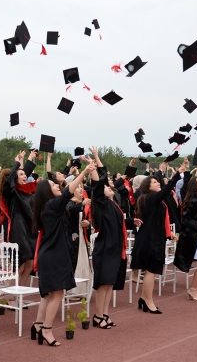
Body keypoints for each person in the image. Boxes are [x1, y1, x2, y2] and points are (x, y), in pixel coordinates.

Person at [32, 162, 96, 346]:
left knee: (48, 294)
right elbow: (68, 191)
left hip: (51, 254)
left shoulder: (48, 208)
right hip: (54, 256)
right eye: (54, 185)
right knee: (57, 294)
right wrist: (84, 171)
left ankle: (37, 325)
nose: (57, 187)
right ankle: (47, 329)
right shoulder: (52, 206)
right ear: (47, 192)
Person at [131, 159, 187, 313]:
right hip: (150, 239)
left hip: (154, 237)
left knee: (152, 270)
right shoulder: (150, 198)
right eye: (154, 182)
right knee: (151, 270)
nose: (158, 183)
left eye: (158, 182)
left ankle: (144, 299)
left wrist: (168, 235)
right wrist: (178, 173)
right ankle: (148, 301)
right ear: (147, 187)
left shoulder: (152, 199)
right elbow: (166, 188)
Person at [87, 148, 127, 327]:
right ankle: (97, 316)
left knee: (110, 283)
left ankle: (105, 314)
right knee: (103, 284)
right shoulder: (101, 204)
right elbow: (99, 181)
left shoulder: (113, 204)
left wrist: (134, 220)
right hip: (105, 249)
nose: (109, 186)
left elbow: (120, 222)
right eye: (106, 187)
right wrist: (93, 163)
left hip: (115, 247)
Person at [174, 166, 197, 300]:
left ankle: (195, 288)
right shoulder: (193, 201)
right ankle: (193, 289)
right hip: (194, 236)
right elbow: (185, 220)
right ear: (196, 187)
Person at [2, 150, 39, 286]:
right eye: (21, 174)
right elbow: (9, 181)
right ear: (15, 179)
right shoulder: (13, 194)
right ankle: (9, 297)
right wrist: (17, 164)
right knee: (20, 267)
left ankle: (18, 295)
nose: (25, 176)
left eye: (25, 174)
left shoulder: (27, 192)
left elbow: (24, 176)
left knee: (29, 266)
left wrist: (29, 158)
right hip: (19, 232)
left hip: (30, 232)